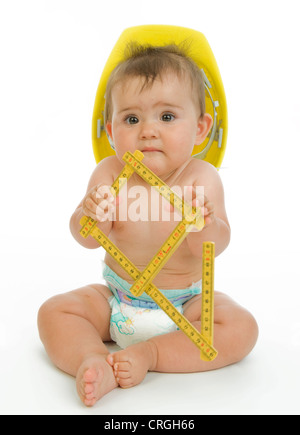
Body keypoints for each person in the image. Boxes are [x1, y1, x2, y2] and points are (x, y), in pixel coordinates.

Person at [38, 44, 259, 407]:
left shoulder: (201, 179)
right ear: (111, 131)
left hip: (185, 304)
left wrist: (204, 224)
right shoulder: (110, 173)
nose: (148, 132)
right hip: (117, 298)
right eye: (131, 119)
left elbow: (216, 244)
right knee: (55, 311)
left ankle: (151, 355)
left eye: (167, 117)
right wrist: (89, 215)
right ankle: (92, 360)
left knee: (241, 328)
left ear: (202, 129)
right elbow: (85, 238)